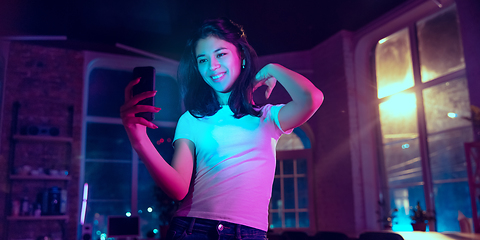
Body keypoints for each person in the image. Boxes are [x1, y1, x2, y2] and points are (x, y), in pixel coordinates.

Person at [120, 18, 323, 240]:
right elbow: (178, 188)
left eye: (221, 54)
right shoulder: (191, 119)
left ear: (241, 56)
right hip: (192, 229)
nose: (212, 66)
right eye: (203, 59)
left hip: (248, 233)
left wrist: (272, 69)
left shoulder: (267, 116)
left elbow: (312, 98)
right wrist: (139, 141)